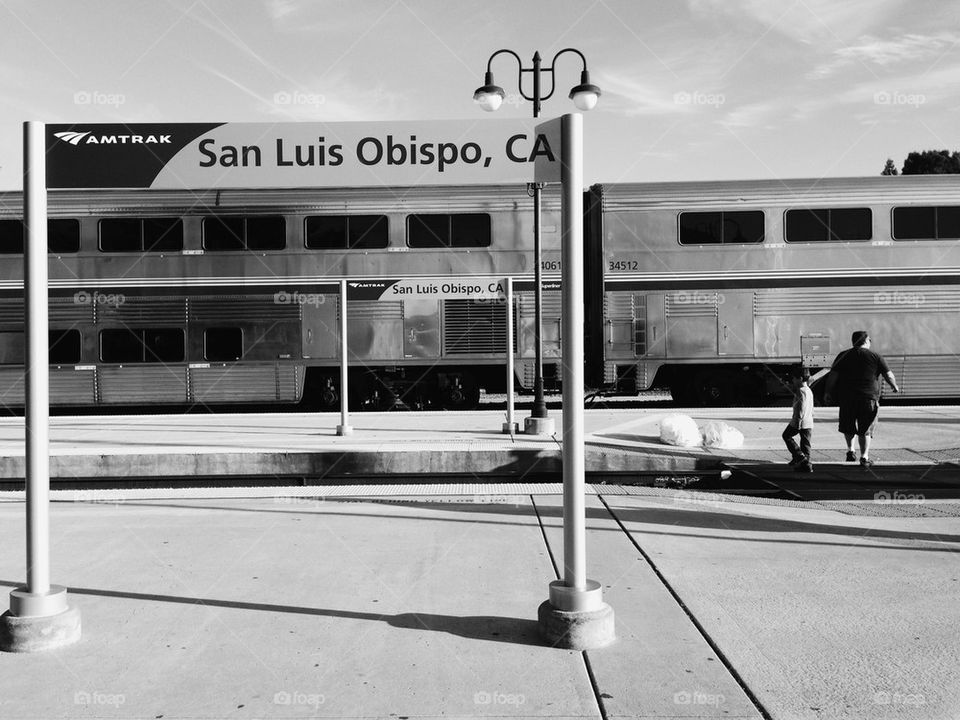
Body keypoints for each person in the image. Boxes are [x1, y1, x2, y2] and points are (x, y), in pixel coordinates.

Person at [829, 330, 900, 467]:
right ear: (866, 341)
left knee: (848, 427)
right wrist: (894, 386)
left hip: (847, 398)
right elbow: (888, 375)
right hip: (869, 398)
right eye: (870, 340)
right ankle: (864, 457)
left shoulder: (843, 355)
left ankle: (850, 451)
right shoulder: (875, 356)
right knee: (865, 430)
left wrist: (828, 392)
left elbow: (833, 376)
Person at [783, 367, 814, 472]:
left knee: (786, 436)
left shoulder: (800, 391)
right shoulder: (809, 390)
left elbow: (801, 408)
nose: (793, 381)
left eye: (794, 378)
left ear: (800, 378)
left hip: (800, 421)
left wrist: (798, 421)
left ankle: (799, 456)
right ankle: (806, 464)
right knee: (806, 444)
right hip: (809, 421)